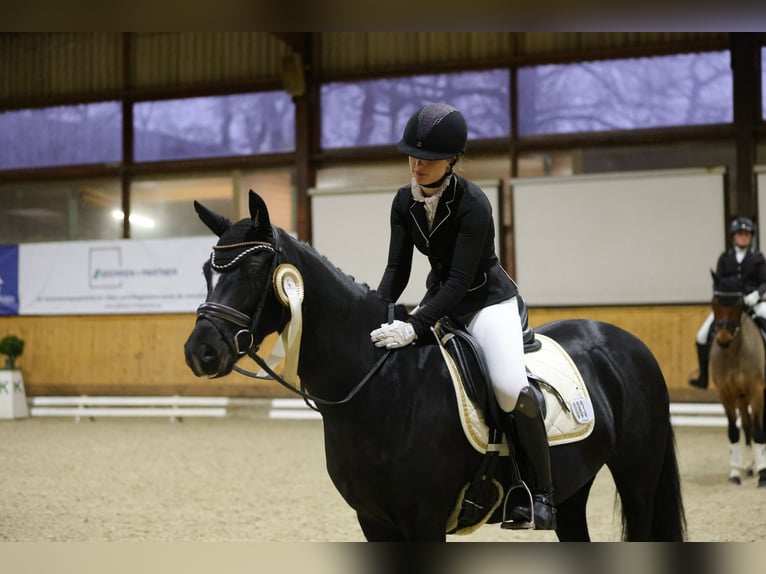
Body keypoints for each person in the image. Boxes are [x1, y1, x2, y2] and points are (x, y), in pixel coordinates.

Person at [368, 102, 556, 530]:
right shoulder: (403, 202)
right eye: (412, 156)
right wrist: (377, 313)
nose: (417, 165)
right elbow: (397, 269)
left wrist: (415, 324)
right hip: (443, 299)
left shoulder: (474, 204)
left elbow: (459, 279)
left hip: (486, 302)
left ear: (451, 159)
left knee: (509, 388)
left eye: (429, 159)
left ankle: (539, 495)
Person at [689, 216, 766, 389]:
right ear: (734, 237)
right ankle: (703, 377)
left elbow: (764, 282)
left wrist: (756, 294)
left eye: (747, 234)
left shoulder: (758, 258)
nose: (744, 237)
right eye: (740, 234)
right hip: (730, 306)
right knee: (701, 336)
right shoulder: (725, 258)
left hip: (754, 304)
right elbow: (718, 281)